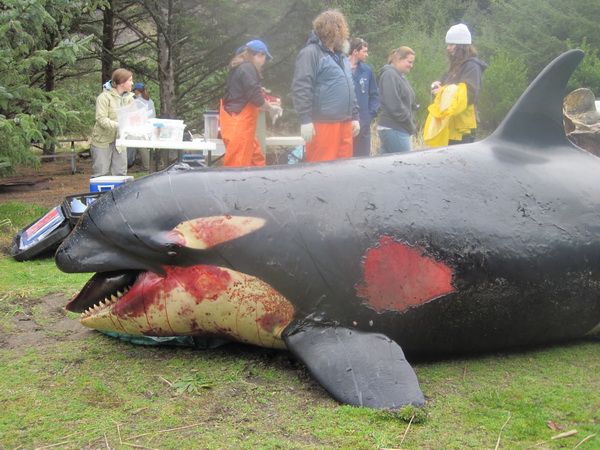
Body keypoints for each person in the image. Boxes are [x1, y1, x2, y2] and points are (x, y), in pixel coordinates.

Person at [291, 9, 360, 162]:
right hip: (323, 123)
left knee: (343, 169)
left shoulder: (341, 56)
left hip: (345, 122)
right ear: (333, 30)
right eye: (340, 29)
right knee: (321, 170)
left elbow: (350, 87)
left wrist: (354, 115)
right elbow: (301, 87)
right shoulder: (310, 53)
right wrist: (306, 119)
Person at [220, 40, 282, 167]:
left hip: (238, 123)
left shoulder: (240, 67)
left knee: (256, 158)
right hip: (238, 125)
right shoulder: (248, 68)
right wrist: (271, 108)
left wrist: (269, 105)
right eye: (265, 57)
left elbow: (253, 94)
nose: (264, 62)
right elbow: (257, 98)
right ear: (259, 54)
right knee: (237, 166)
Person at [425, 23, 487, 146]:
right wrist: (437, 87)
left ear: (461, 47)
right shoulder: (455, 66)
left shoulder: (472, 66)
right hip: (450, 125)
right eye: (448, 44)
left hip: (463, 129)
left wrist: (442, 91)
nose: (448, 48)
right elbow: (447, 88)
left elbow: (469, 95)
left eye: (451, 44)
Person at [90, 68, 135, 177]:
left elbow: (133, 118)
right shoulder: (104, 97)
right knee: (101, 174)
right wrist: (120, 126)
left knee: (120, 174)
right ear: (121, 82)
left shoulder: (129, 99)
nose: (132, 83)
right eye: (130, 80)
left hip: (120, 141)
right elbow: (101, 119)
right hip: (102, 142)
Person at [377, 47, 417, 153]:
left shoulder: (399, 75)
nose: (411, 65)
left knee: (388, 168)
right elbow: (394, 105)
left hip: (396, 129)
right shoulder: (389, 75)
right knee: (406, 165)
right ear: (399, 59)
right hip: (394, 128)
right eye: (409, 62)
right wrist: (409, 124)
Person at [347, 37, 380, 157]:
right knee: (344, 158)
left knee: (363, 158)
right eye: (364, 51)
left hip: (363, 122)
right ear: (355, 51)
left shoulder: (367, 70)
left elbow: (374, 94)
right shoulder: (340, 68)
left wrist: (370, 115)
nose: (367, 54)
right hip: (345, 121)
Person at [127, 83, 156, 172]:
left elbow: (135, 115)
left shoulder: (137, 101)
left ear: (137, 90)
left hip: (142, 127)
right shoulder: (150, 100)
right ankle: (148, 166)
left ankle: (146, 167)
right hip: (151, 126)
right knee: (146, 147)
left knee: (141, 147)